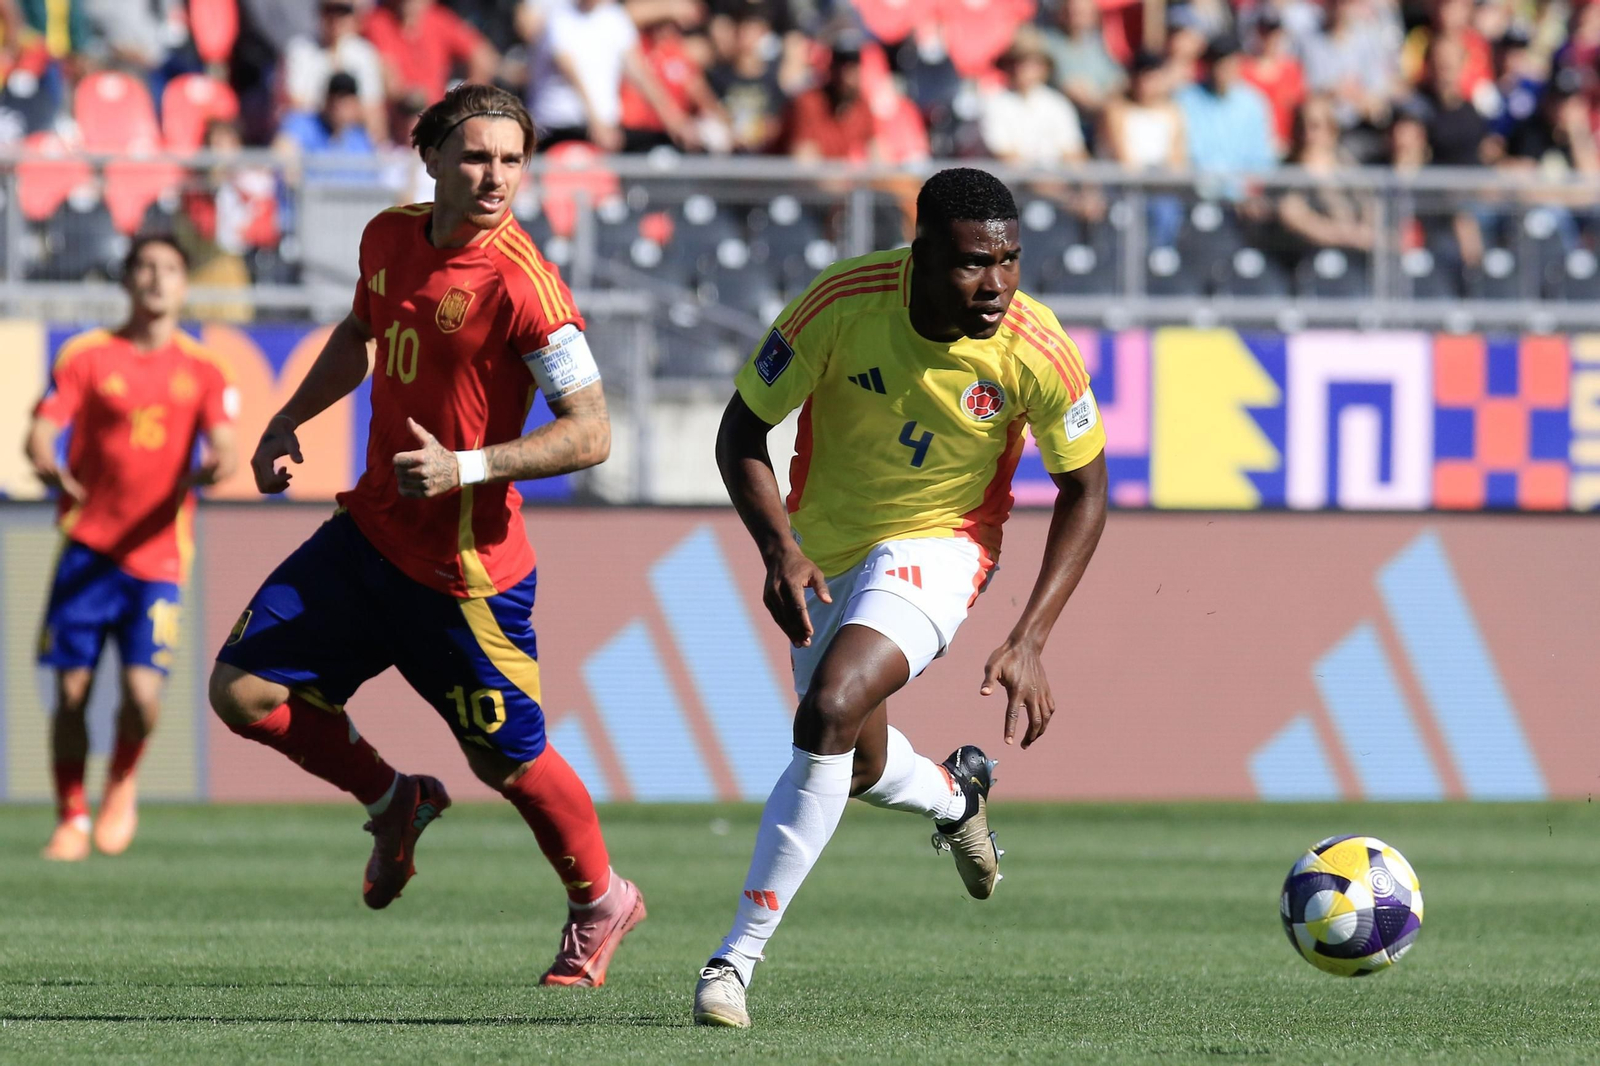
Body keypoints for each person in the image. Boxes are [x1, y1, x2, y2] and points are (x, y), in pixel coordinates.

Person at [208, 83, 644, 988]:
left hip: (464, 572)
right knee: (242, 691)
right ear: (433, 157)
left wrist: (469, 467)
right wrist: (289, 416)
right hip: (369, 533)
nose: (497, 177)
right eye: (478, 156)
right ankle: (393, 799)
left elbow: (593, 432)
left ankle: (602, 900)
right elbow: (360, 333)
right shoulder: (387, 236)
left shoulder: (527, 285)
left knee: (508, 762)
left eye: (514, 160)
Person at [692, 167, 1109, 1028]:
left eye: (1009, 261)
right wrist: (780, 549)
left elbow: (1086, 490)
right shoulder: (841, 302)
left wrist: (1031, 635)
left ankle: (733, 962)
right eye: (969, 264)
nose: (994, 284)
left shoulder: (1035, 346)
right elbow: (742, 429)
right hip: (825, 549)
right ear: (919, 255)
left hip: (944, 544)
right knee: (860, 763)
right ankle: (960, 798)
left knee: (831, 706)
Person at [28, 235, 239, 861]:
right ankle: (71, 815)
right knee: (70, 694)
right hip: (86, 550)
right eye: (145, 267)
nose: (156, 278)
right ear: (126, 279)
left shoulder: (203, 369)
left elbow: (225, 444)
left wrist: (212, 468)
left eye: (170, 268)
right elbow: (41, 430)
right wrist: (45, 463)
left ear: (183, 285)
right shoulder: (87, 356)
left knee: (143, 698)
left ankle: (121, 780)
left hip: (158, 558)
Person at [980, 27, 1088, 168]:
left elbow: (1074, 152)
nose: (1023, 70)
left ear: (1044, 68)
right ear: (1008, 66)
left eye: (1031, 64)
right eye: (1017, 62)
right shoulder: (993, 102)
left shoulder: (1058, 104)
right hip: (1011, 186)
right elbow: (1004, 155)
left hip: (1058, 184)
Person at [282, 0, 388, 142]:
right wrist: (335, 109)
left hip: (352, 133)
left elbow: (372, 108)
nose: (335, 19)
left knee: (374, 129)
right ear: (319, 13)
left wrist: (345, 113)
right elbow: (295, 104)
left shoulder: (364, 54)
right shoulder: (301, 50)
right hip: (313, 132)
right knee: (295, 125)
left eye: (343, 12)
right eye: (329, 10)